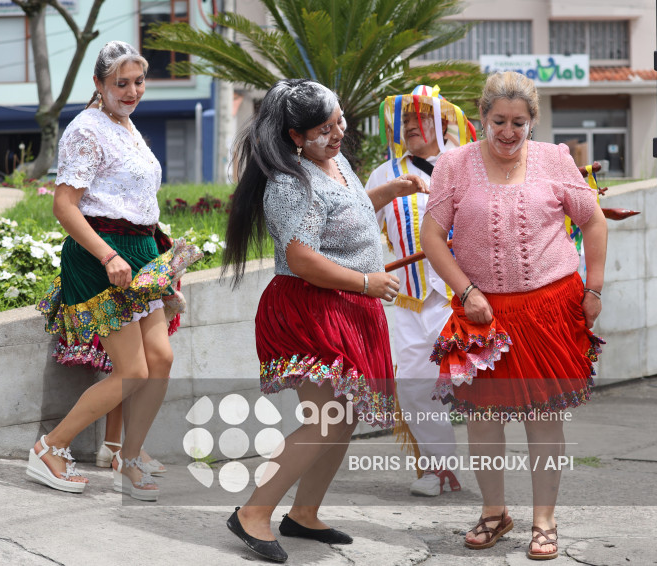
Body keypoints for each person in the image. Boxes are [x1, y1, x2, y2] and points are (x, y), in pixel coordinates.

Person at [420, 71, 607, 561]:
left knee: (544, 419)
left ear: (532, 121)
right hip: (482, 313)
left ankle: (544, 521)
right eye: (499, 120)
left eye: (518, 123)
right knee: (484, 419)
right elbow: (432, 236)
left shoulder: (555, 159)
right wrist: (466, 290)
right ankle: (494, 512)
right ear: (482, 117)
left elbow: (592, 220)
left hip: (549, 310)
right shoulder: (454, 165)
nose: (508, 131)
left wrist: (594, 287)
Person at [221, 78, 405, 563]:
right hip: (310, 309)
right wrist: (365, 282)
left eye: (339, 121)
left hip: (346, 305)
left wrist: (388, 191)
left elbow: (345, 213)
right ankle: (253, 513)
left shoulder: (334, 162)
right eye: (325, 128)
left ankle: (304, 514)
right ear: (295, 136)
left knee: (342, 419)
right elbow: (302, 257)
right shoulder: (290, 182)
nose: (338, 132)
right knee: (326, 420)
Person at [30, 41, 199, 500]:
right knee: (132, 371)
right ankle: (49, 448)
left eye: (138, 82)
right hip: (101, 257)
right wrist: (108, 256)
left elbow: (136, 200)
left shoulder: (126, 125)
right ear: (99, 84)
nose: (132, 91)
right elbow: (65, 206)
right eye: (120, 83)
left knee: (160, 359)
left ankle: (129, 457)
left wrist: (164, 259)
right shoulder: (86, 130)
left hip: (141, 254)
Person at [365, 84, 476, 497]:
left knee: (475, 384)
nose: (411, 125)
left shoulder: (468, 164)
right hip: (410, 300)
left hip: (460, 297)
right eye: (406, 119)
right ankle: (437, 469)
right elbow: (357, 221)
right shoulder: (384, 174)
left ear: (443, 122)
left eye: (421, 117)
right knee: (413, 387)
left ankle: (492, 471)